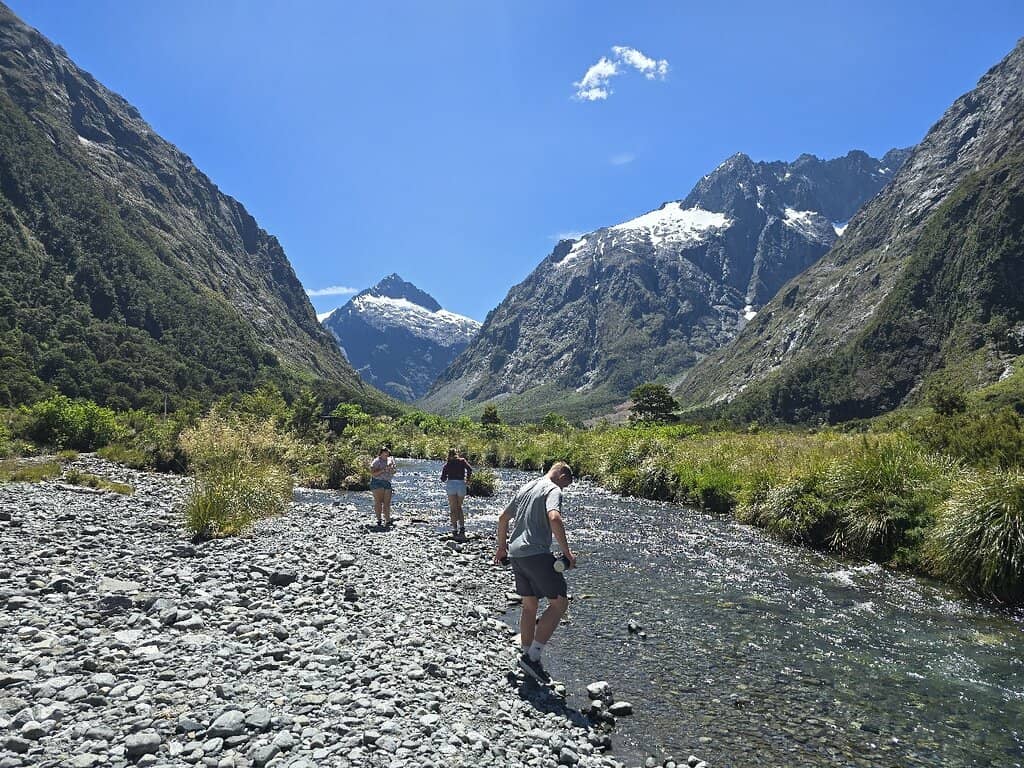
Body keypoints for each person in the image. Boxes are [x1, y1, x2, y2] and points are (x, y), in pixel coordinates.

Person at [493, 461, 576, 684]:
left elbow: (502, 517)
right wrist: (567, 553)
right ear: (562, 475)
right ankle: (534, 657)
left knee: (529, 605)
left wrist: (501, 548)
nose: (565, 488)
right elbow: (555, 517)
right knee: (560, 603)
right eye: (566, 484)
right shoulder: (553, 489)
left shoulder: (527, 487)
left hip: (516, 554)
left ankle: (525, 653)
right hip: (536, 554)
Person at [440, 448, 473, 538]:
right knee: (459, 507)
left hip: (451, 485)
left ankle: (454, 529)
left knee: (453, 509)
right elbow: (470, 469)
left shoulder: (447, 464)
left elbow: (442, 478)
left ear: (448, 455)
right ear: (457, 453)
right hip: (461, 484)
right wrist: (468, 480)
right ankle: (462, 527)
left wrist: (446, 476)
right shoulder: (462, 461)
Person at [369, 446, 396, 528]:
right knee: (378, 502)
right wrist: (384, 470)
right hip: (377, 482)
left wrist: (391, 469)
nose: (386, 456)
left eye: (387, 454)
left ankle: (387, 520)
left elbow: (394, 471)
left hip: (387, 482)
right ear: (380, 454)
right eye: (385, 454)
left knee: (387, 503)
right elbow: (373, 473)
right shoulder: (376, 461)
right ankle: (379, 520)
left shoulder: (391, 460)